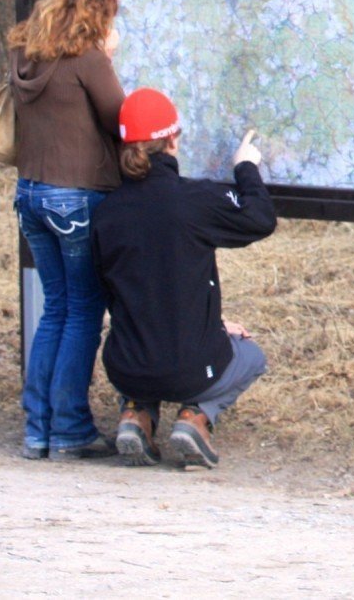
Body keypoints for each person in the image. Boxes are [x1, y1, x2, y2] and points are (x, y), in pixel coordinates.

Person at [94, 88, 278, 469]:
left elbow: (113, 291)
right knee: (251, 356)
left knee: (142, 348)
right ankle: (195, 417)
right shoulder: (194, 200)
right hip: (191, 369)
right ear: (172, 141)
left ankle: (136, 414)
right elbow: (260, 218)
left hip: (126, 365)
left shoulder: (105, 212)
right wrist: (245, 167)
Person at [7, 0, 128, 460]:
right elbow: (121, 121)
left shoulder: (26, 52)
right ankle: (71, 429)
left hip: (30, 195)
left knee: (55, 309)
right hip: (76, 197)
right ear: (97, 4)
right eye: (114, 4)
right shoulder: (88, 60)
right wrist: (109, 58)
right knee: (82, 312)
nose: (117, 13)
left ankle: (39, 429)